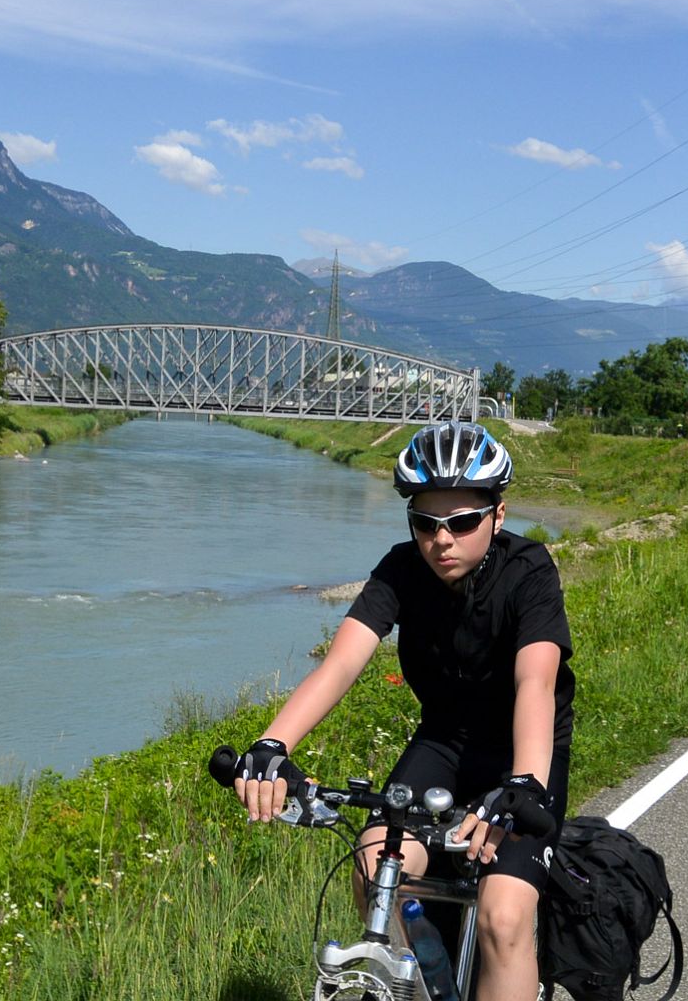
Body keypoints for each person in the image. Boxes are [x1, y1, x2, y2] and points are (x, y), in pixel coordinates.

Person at [233, 420, 574, 1001]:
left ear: (497, 513)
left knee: (504, 916)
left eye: (463, 522)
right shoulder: (400, 570)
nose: (442, 540)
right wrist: (272, 746)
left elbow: (535, 683)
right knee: (373, 868)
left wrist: (527, 783)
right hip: (442, 742)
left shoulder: (529, 570)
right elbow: (340, 665)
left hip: (522, 755)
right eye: (425, 523)